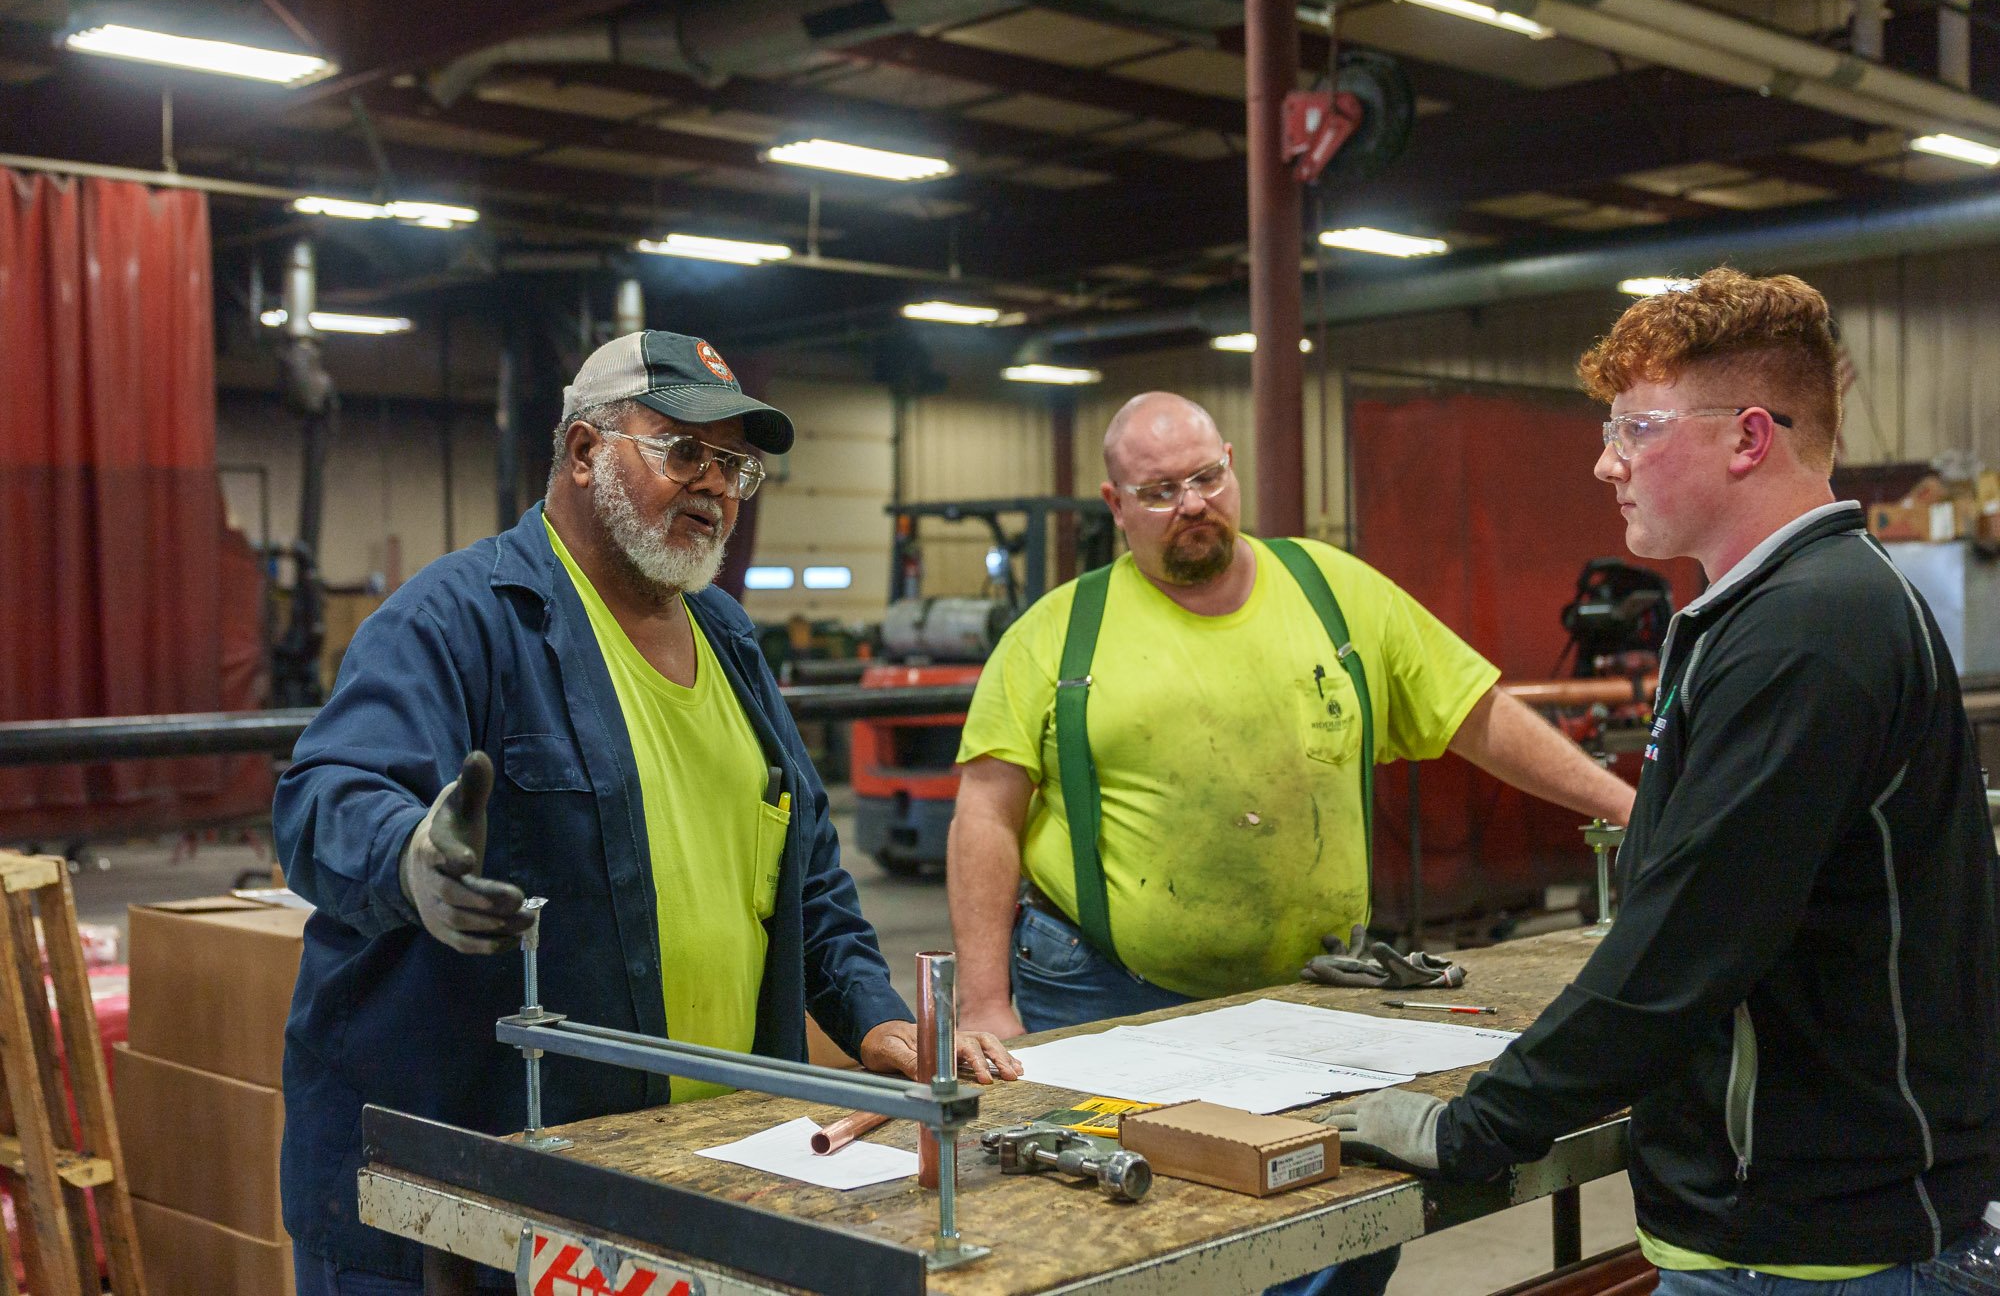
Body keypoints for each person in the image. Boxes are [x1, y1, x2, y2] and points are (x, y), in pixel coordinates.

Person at [275, 330, 1020, 1294]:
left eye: (735, 468)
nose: (714, 486)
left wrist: (877, 1021)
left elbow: (808, 880)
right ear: (584, 452)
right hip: (467, 1201)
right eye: (683, 452)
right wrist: (410, 862)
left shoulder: (730, 639)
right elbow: (322, 799)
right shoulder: (458, 619)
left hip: (693, 1182)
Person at [1326, 268, 2000, 1296]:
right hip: (1788, 1221)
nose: (1605, 462)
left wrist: (1476, 1126)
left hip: (1811, 1247)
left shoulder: (1805, 632)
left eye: (1635, 429)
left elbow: (1687, 942)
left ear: (1746, 437)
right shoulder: (1772, 611)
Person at [948, 390, 1636, 1296]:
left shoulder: (1330, 590)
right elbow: (986, 813)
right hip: (1104, 988)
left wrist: (1629, 807)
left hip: (1309, 996)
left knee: (1342, 1221)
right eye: (1160, 491)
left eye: (1207, 477)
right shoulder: (1056, 633)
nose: (1192, 503)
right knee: (1126, 1238)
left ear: (1232, 466)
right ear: (1115, 506)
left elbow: (1475, 715)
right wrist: (987, 1003)